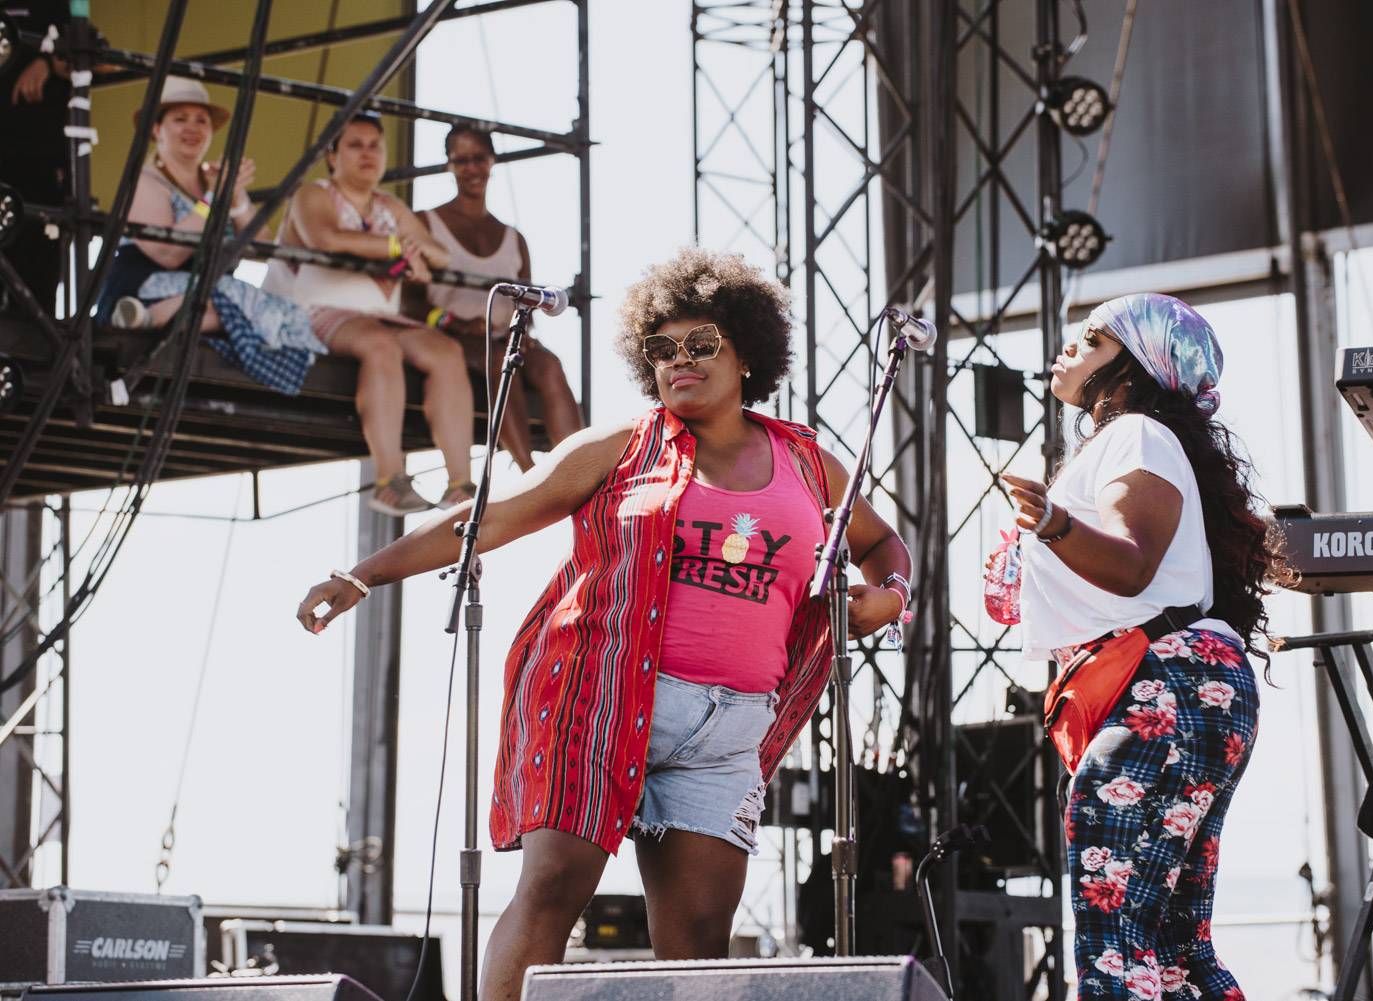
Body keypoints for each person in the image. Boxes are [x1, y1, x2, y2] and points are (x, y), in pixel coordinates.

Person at [296, 248, 913, 1001]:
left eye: (701, 344)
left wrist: (893, 592)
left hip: (729, 732)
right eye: (662, 349)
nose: (679, 361)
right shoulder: (622, 447)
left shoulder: (808, 461)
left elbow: (879, 542)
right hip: (603, 697)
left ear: (747, 353)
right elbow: (485, 516)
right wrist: (363, 573)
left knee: (697, 947)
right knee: (554, 885)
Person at [998, 293, 1290, 1000]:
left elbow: (1133, 560)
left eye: (1093, 338)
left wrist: (1054, 524)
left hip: (1165, 686)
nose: (1069, 347)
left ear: (1134, 364)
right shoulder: (1129, 442)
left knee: (1116, 940)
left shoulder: (1135, 433)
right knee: (1172, 951)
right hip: (1184, 684)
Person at [263, 113, 475, 515]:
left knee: (446, 352)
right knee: (379, 346)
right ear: (332, 154)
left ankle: (460, 484)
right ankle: (389, 480)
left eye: (374, 145)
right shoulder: (314, 193)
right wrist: (398, 249)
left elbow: (439, 254)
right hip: (309, 312)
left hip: (379, 316)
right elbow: (327, 238)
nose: (367, 154)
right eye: (355, 145)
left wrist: (405, 251)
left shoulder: (388, 205)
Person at [96, 76, 325, 396]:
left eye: (201, 120)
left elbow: (261, 247)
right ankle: (147, 315)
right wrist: (212, 199)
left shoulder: (215, 180)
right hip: (147, 284)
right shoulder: (146, 181)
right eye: (180, 119)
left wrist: (237, 199)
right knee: (230, 300)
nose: (192, 128)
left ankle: (150, 320)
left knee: (269, 308)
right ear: (156, 129)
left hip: (205, 291)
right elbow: (168, 254)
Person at [402, 124, 582, 471]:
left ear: (492, 162)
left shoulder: (514, 238)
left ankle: (578, 469)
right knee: (501, 362)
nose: (471, 169)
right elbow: (408, 302)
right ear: (448, 166)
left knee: (549, 365)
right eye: (462, 160)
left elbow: (527, 301)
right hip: (450, 336)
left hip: (504, 334)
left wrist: (525, 333)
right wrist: (452, 322)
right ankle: (529, 473)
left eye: (479, 159)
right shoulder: (426, 222)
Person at [0, 0, 69, 316]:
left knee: (35, 259)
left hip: (36, 156)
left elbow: (92, 55)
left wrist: (46, 61)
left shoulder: (53, 5)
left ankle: (35, 350)